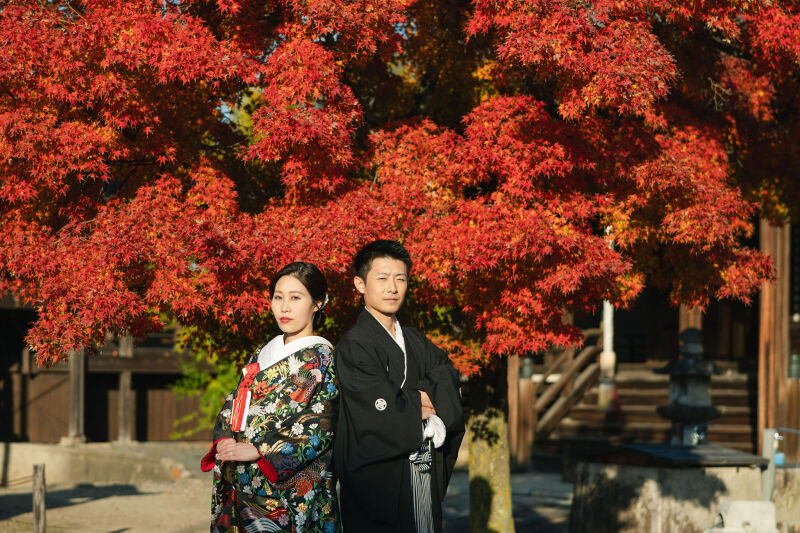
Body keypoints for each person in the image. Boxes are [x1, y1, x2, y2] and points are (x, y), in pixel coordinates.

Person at [334, 239, 465, 533]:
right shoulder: (353, 346)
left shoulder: (415, 340)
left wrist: (411, 400)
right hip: (379, 482)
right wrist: (419, 401)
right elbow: (372, 408)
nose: (392, 287)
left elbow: (446, 375)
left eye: (400, 278)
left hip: (423, 471)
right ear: (360, 284)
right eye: (382, 278)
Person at [201, 262, 340, 533]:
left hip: (284, 484)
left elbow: (320, 424)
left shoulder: (322, 358)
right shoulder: (262, 353)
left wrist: (261, 451)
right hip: (241, 475)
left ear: (317, 303)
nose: (284, 307)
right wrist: (226, 436)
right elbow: (235, 400)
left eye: (295, 298)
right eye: (278, 297)